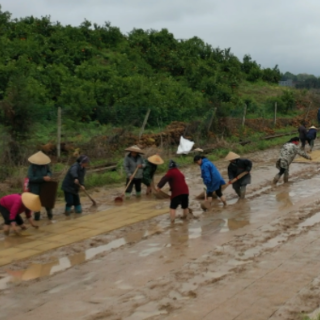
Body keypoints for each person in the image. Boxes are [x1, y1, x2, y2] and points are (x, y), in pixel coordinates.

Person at [27, 151, 53, 221]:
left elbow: (49, 171)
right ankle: (37, 218)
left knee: (47, 201)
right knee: (36, 203)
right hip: (35, 187)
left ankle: (50, 215)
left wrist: (48, 176)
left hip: (44, 186)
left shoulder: (46, 166)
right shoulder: (32, 167)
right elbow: (31, 178)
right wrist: (42, 178)